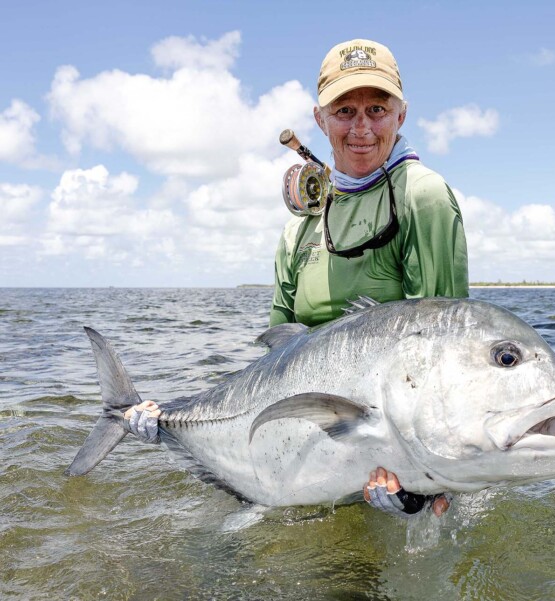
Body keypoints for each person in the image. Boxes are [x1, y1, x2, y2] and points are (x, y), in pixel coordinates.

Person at [125, 38, 469, 519]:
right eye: (345, 110)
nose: (362, 128)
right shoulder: (297, 231)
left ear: (401, 116)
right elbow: (274, 360)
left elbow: (443, 358)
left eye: (377, 108)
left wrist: (422, 491)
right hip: (305, 462)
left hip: (389, 465)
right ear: (320, 119)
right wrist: (164, 422)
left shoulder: (423, 197)